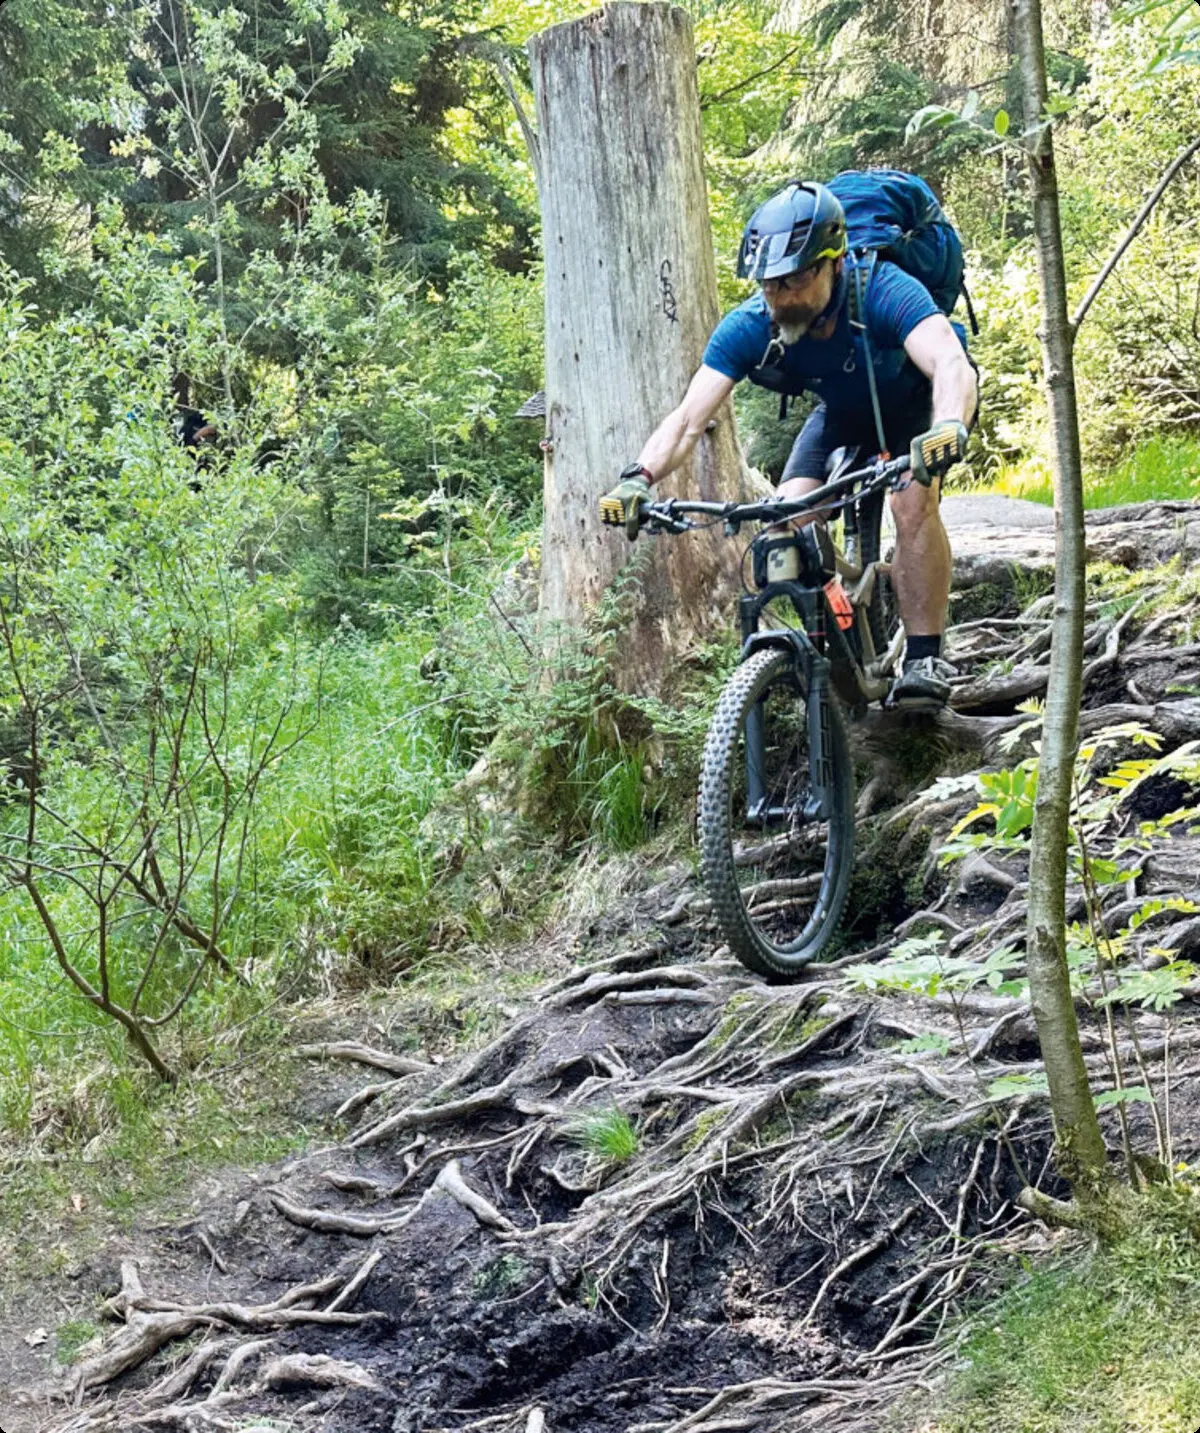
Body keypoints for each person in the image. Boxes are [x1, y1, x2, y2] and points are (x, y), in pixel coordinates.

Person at [598, 180, 978, 709]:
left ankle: (923, 656)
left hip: (916, 406)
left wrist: (947, 426)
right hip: (842, 415)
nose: (780, 296)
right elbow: (688, 419)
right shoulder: (753, 325)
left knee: (912, 503)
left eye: (795, 280)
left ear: (834, 263)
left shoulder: (882, 288)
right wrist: (638, 477)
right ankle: (824, 651)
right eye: (769, 283)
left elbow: (947, 361)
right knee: (784, 522)